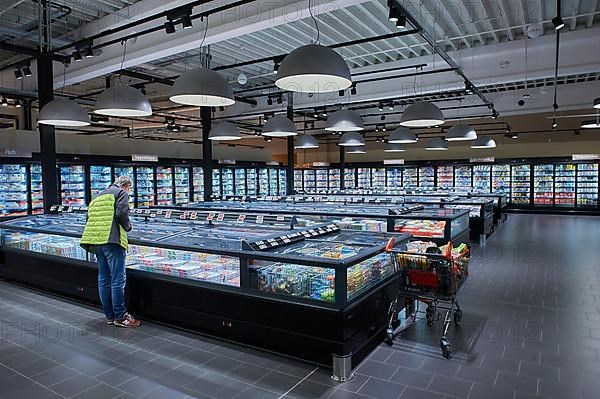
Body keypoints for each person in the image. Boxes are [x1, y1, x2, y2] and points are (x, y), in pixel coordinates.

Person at [80, 176, 141, 328]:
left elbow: (88, 217)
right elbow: (121, 214)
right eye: (129, 189)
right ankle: (120, 317)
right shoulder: (121, 193)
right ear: (126, 186)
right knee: (118, 280)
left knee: (104, 279)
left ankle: (109, 315)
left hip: (95, 240)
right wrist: (128, 227)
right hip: (112, 240)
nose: (129, 192)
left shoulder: (98, 195)